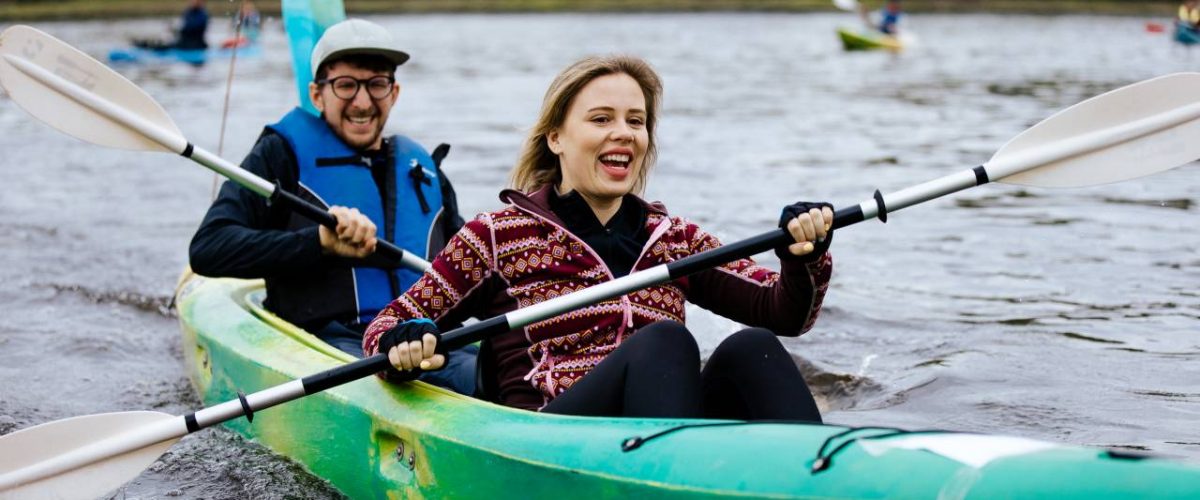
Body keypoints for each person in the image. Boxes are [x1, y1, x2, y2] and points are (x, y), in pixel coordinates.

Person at [363, 55, 833, 421]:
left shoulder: (673, 238)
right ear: (556, 138)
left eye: (635, 120)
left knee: (754, 347)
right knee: (665, 341)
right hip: (552, 435)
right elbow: (383, 332)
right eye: (601, 119)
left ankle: (822, 479)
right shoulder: (494, 236)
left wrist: (803, 256)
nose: (623, 133)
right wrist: (406, 343)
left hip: (667, 422)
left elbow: (784, 313)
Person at [189, 19, 477, 395]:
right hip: (331, 346)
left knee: (513, 378)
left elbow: (474, 275)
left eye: (376, 84)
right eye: (346, 85)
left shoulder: (424, 171)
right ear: (317, 94)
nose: (362, 101)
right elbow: (208, 249)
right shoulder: (281, 157)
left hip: (425, 341)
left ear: (395, 92)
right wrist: (319, 243)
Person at [132, 0, 209, 51]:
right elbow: (184, 29)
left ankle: (145, 47)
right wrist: (173, 29)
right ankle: (140, 45)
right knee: (161, 42)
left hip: (195, 45)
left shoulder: (203, 15)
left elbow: (191, 29)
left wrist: (175, 29)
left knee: (164, 46)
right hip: (183, 42)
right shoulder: (188, 12)